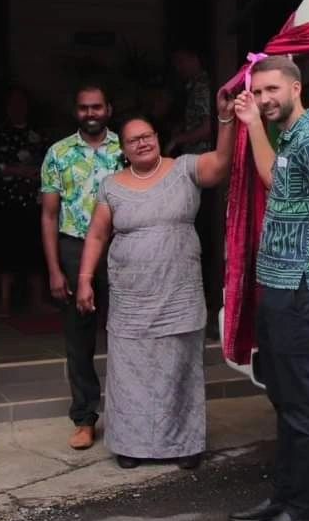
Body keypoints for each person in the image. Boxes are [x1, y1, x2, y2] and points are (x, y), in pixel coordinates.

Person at [227, 56, 309, 521]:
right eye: (258, 93)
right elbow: (272, 178)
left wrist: (306, 255)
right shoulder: (287, 138)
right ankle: (284, 497)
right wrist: (253, 125)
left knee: (301, 403)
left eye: (271, 91)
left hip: (302, 288)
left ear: (296, 88)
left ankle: (302, 511)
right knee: (282, 398)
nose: (264, 99)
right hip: (278, 288)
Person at [74, 94, 236, 469]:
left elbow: (221, 164)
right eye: (134, 139)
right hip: (132, 297)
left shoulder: (184, 169)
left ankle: (184, 444)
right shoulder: (111, 186)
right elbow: (97, 235)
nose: (143, 142)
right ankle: (131, 445)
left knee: (179, 369)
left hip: (178, 293)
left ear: (157, 137)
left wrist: (226, 120)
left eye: (147, 135)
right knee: (131, 373)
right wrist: (84, 279)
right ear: (124, 148)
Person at [40, 84, 123, 451]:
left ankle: (128, 416)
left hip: (122, 249)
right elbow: (48, 214)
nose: (91, 113)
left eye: (97, 107)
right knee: (79, 339)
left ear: (109, 109)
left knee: (128, 335)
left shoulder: (128, 148)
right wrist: (55, 269)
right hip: (74, 249)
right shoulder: (58, 153)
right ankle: (85, 418)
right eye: (84, 108)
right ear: (76, 111)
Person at [165, 49, 221, 336]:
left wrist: (179, 139)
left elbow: (209, 126)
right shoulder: (188, 87)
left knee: (202, 233)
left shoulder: (203, 86)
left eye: (180, 60)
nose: (178, 67)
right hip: (195, 168)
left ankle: (210, 306)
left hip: (203, 168)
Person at [0, 87, 47, 318]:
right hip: (5, 203)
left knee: (36, 251)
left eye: (22, 102)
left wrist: (33, 172)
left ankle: (37, 301)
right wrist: (18, 170)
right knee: (6, 251)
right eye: (13, 103)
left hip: (34, 202)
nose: (18, 107)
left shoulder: (38, 134)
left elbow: (49, 165)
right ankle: (4, 302)